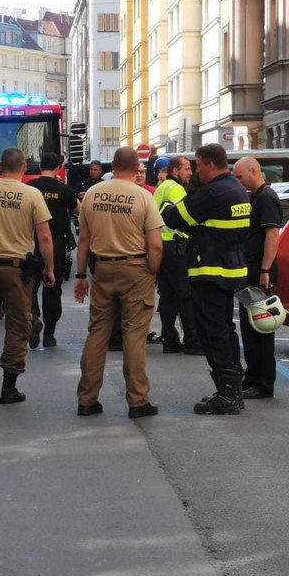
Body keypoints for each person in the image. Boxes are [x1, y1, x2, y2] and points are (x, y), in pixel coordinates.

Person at [74, 147, 164, 419]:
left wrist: (80, 276)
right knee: (134, 334)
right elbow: (156, 245)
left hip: (102, 268)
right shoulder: (143, 197)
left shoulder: (92, 194)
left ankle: (87, 399)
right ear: (137, 167)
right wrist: (151, 270)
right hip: (136, 267)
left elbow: (83, 241)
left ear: (112, 165)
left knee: (98, 332)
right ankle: (138, 401)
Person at [161, 143, 251, 415]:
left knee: (212, 332)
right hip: (230, 271)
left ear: (210, 164)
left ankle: (226, 395)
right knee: (226, 330)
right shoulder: (237, 190)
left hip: (210, 272)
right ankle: (234, 391)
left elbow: (172, 216)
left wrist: (177, 208)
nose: (196, 172)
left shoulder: (213, 192)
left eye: (198, 165)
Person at [0, 147, 55, 404]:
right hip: (17, 270)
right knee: (18, 324)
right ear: (24, 167)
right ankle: (9, 386)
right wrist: (48, 269)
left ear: (1, 165)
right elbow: (44, 236)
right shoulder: (32, 195)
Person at [233, 157, 282, 399]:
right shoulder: (255, 196)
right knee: (251, 327)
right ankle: (252, 377)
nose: (238, 181)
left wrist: (264, 271)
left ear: (254, 171)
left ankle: (262, 382)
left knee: (260, 329)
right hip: (253, 267)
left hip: (260, 270)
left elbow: (272, 235)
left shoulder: (266, 198)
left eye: (240, 177)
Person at [28, 152, 79, 347]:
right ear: (58, 168)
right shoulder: (63, 189)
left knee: (29, 286)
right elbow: (77, 210)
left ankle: (32, 318)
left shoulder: (30, 187)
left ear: (41, 166)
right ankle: (49, 333)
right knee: (52, 288)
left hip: (30, 243)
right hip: (56, 244)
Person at [154, 156, 202, 355]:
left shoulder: (162, 187)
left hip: (163, 246)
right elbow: (181, 216)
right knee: (185, 294)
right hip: (176, 246)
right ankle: (192, 340)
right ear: (175, 171)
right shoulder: (176, 188)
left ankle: (170, 339)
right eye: (187, 168)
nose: (190, 173)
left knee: (168, 296)